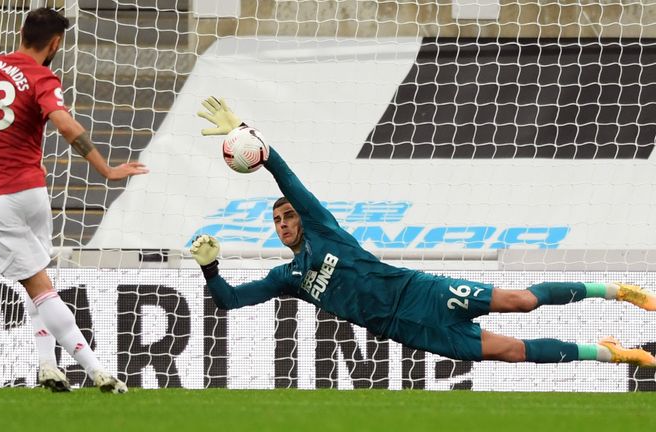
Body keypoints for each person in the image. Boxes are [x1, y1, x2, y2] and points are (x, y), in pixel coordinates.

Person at [192, 96, 656, 367]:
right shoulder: (287, 278)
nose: (284, 224)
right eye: (277, 221)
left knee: (522, 301)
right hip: (409, 329)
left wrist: (259, 143)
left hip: (422, 293)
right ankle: (612, 354)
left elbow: (288, 181)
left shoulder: (324, 230)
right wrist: (211, 267)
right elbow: (230, 300)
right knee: (513, 352)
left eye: (288, 216)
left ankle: (617, 290)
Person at [0, 7, 146, 393]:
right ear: (56, 42)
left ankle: (98, 373)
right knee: (39, 280)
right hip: (31, 191)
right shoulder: (41, 76)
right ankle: (47, 365)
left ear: (21, 31)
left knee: (39, 286)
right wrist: (106, 170)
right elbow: (65, 123)